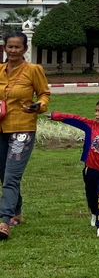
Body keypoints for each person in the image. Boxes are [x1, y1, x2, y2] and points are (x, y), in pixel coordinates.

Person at [0, 30, 51, 240]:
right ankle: (17, 212)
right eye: (9, 46)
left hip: (22, 129)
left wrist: (40, 106)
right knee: (4, 175)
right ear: (4, 47)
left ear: (25, 49)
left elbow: (44, 93)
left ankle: (4, 221)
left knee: (11, 177)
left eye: (17, 47)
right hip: (1, 129)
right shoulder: (0, 70)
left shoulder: (33, 70)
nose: (13, 50)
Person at [49, 98, 99, 237]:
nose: (96, 114)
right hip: (89, 169)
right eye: (96, 111)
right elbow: (74, 119)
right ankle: (94, 212)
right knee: (91, 195)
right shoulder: (90, 126)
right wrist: (54, 116)